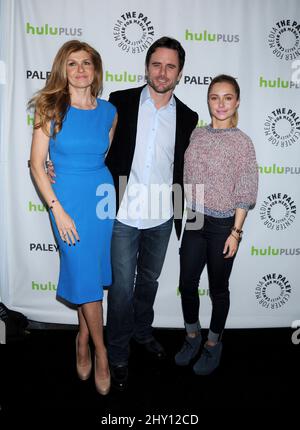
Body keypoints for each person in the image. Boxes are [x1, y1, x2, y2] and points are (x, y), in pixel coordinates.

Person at [105, 36, 198, 390]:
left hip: (162, 216)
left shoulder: (188, 117)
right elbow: (98, 149)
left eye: (170, 66)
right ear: (146, 67)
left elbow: (187, 170)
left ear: (180, 73)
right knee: (121, 291)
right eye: (156, 64)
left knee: (149, 283)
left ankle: (142, 333)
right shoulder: (120, 101)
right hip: (122, 213)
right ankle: (116, 353)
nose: (162, 72)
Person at [29, 40, 117, 395]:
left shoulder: (110, 111)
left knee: (91, 276)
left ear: (95, 70)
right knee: (85, 273)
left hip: (101, 199)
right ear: (62, 70)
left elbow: (102, 154)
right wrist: (57, 208)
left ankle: (82, 337)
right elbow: (37, 164)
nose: (80, 70)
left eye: (86, 63)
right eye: (72, 64)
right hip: (64, 200)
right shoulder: (49, 107)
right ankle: (102, 351)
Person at [175, 74, 258, 375]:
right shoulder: (197, 134)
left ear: (236, 102)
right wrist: (180, 216)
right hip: (195, 217)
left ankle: (213, 343)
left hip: (224, 223)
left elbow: (246, 190)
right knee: (186, 285)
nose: (220, 103)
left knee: (218, 289)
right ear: (208, 101)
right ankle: (192, 335)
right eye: (214, 97)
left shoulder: (243, 143)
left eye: (227, 98)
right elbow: (184, 175)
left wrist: (236, 232)